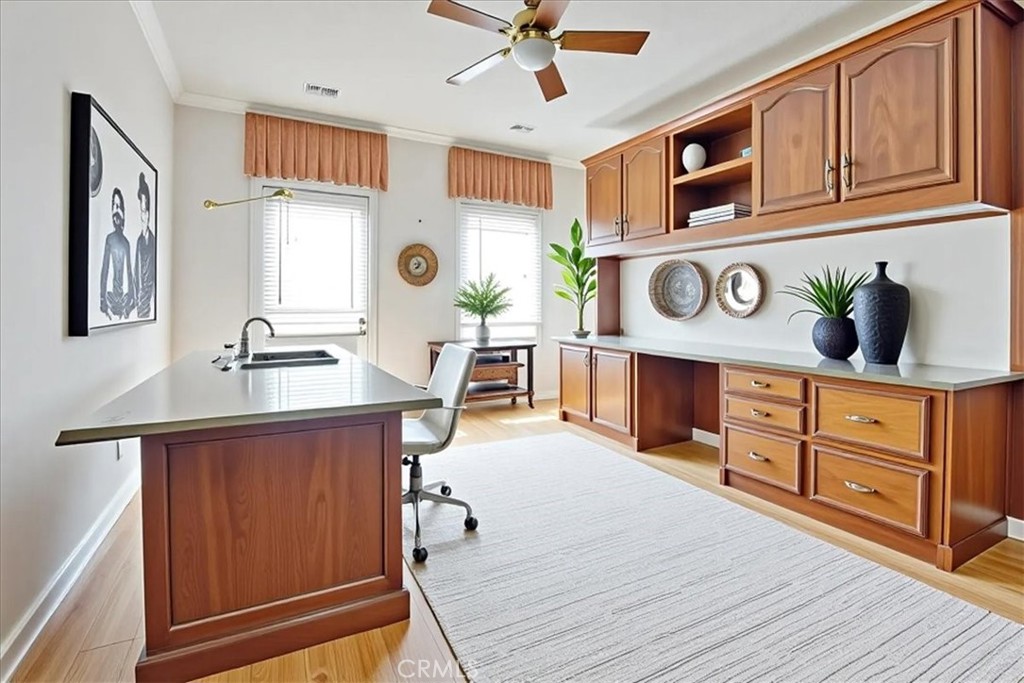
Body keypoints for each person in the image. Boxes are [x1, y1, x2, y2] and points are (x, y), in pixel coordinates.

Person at [99, 187, 135, 320]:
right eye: (114, 206)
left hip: (124, 300)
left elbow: (130, 274)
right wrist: (103, 300)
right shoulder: (109, 239)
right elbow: (105, 270)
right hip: (110, 298)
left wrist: (131, 300)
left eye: (119, 207)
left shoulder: (126, 243)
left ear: (123, 213)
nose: (116, 211)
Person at [134, 173, 156, 318]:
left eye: (145, 212)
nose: (143, 217)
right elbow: (135, 272)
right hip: (139, 300)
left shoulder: (152, 241)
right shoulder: (139, 241)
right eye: (141, 212)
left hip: (146, 302)